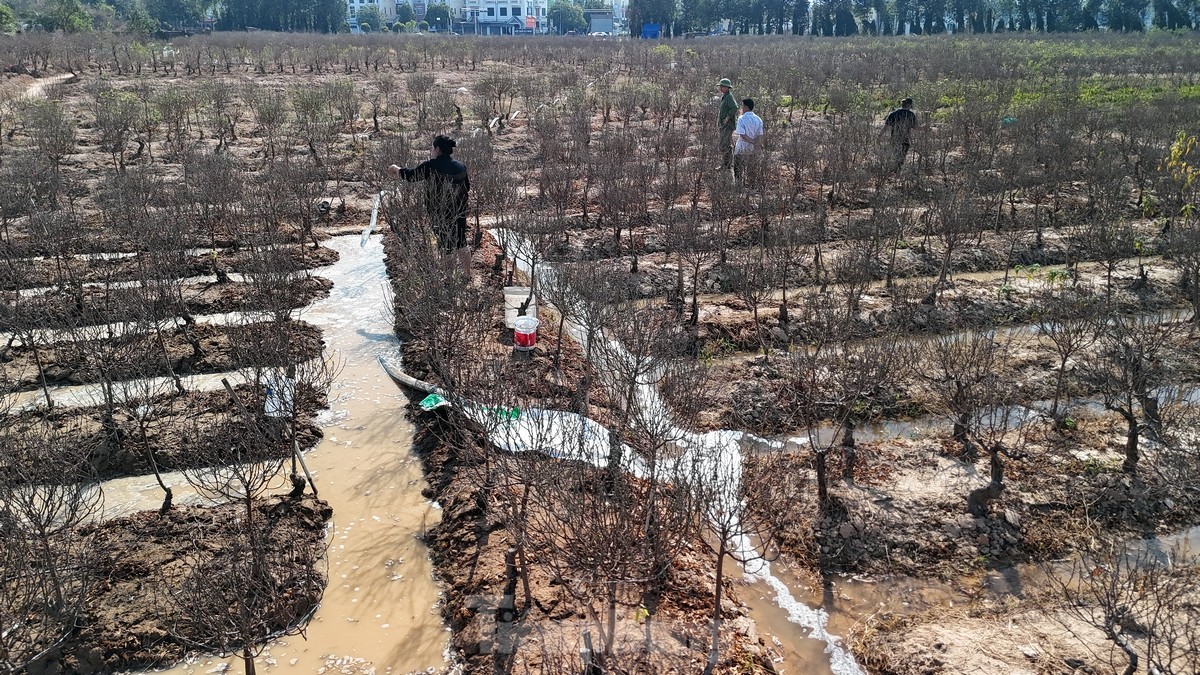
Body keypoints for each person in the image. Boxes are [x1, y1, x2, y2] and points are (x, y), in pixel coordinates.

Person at [388, 135, 471, 277]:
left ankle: (449, 279)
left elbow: (411, 176)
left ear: (437, 149)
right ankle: (468, 275)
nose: (431, 151)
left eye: (432, 148)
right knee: (461, 243)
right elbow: (467, 187)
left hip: (440, 213)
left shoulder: (430, 166)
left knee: (446, 246)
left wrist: (396, 168)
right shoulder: (461, 166)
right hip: (459, 212)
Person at [882, 97, 919, 171]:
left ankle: (895, 170)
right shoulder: (911, 114)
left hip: (894, 138)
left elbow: (885, 127)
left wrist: (879, 137)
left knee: (896, 155)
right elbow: (916, 127)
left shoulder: (893, 113)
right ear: (910, 105)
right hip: (905, 139)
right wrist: (925, 128)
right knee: (902, 156)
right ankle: (897, 170)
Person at [732, 98, 763, 186]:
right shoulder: (759, 119)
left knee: (738, 167)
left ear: (746, 107)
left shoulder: (742, 118)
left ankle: (738, 185)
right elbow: (759, 135)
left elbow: (742, 134)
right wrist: (755, 144)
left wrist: (751, 141)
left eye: (743, 106)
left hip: (742, 145)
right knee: (751, 167)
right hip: (752, 147)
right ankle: (751, 185)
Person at [717, 78, 738, 171]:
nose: (721, 88)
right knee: (724, 144)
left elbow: (735, 107)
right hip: (723, 125)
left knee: (725, 144)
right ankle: (727, 164)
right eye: (720, 86)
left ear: (727, 87)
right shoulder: (724, 96)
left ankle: (726, 165)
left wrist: (728, 117)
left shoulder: (729, 97)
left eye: (722, 86)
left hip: (728, 125)